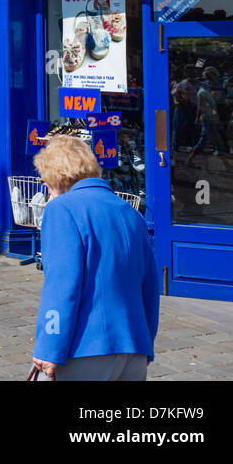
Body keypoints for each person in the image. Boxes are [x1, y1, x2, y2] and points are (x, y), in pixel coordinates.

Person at [31, 135, 159, 381]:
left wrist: (48, 346)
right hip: (134, 346)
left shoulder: (62, 210)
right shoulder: (131, 215)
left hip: (86, 348)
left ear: (58, 176)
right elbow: (150, 290)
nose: (45, 187)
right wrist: (146, 344)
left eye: (45, 180)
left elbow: (61, 286)